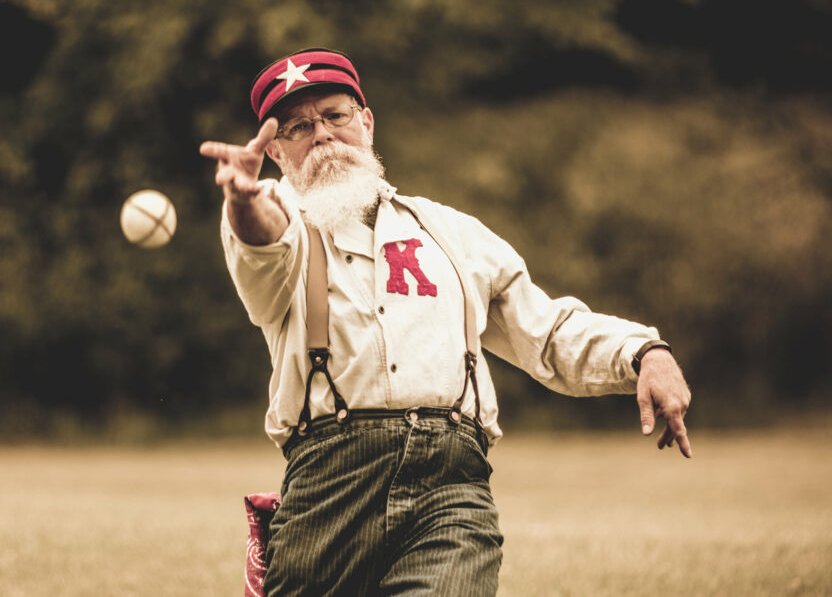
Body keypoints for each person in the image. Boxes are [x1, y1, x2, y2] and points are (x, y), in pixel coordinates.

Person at [199, 48, 692, 596]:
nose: (322, 135)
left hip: (452, 484)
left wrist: (644, 352)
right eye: (297, 127)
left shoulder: (449, 232)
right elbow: (261, 240)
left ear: (366, 121)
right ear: (274, 153)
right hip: (329, 487)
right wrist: (241, 202)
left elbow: (547, 331)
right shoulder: (282, 219)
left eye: (335, 115)